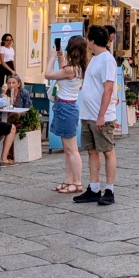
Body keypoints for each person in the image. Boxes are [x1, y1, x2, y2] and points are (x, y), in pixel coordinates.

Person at [72, 25, 119, 206]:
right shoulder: (94, 59)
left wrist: (101, 115)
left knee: (107, 150)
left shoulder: (107, 60)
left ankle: (109, 189)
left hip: (102, 116)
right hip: (88, 114)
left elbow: (108, 88)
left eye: (87, 39)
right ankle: (93, 187)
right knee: (92, 151)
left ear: (91, 40)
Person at [45, 35, 86, 194]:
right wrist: (60, 57)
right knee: (67, 149)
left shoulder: (71, 69)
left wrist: (51, 58)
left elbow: (48, 75)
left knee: (72, 149)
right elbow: (64, 71)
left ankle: (77, 182)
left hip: (66, 108)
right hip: (66, 106)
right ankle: (69, 180)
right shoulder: (77, 67)